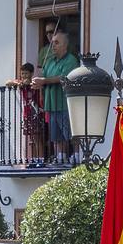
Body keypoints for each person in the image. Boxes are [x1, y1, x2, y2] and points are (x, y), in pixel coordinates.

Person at [32, 32, 77, 163]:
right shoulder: (50, 62)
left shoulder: (71, 60)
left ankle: (77, 156)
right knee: (56, 135)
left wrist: (44, 81)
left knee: (71, 133)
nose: (53, 46)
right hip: (51, 104)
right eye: (52, 43)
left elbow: (64, 78)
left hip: (65, 104)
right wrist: (37, 84)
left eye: (56, 43)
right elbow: (43, 77)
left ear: (65, 46)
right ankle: (60, 156)